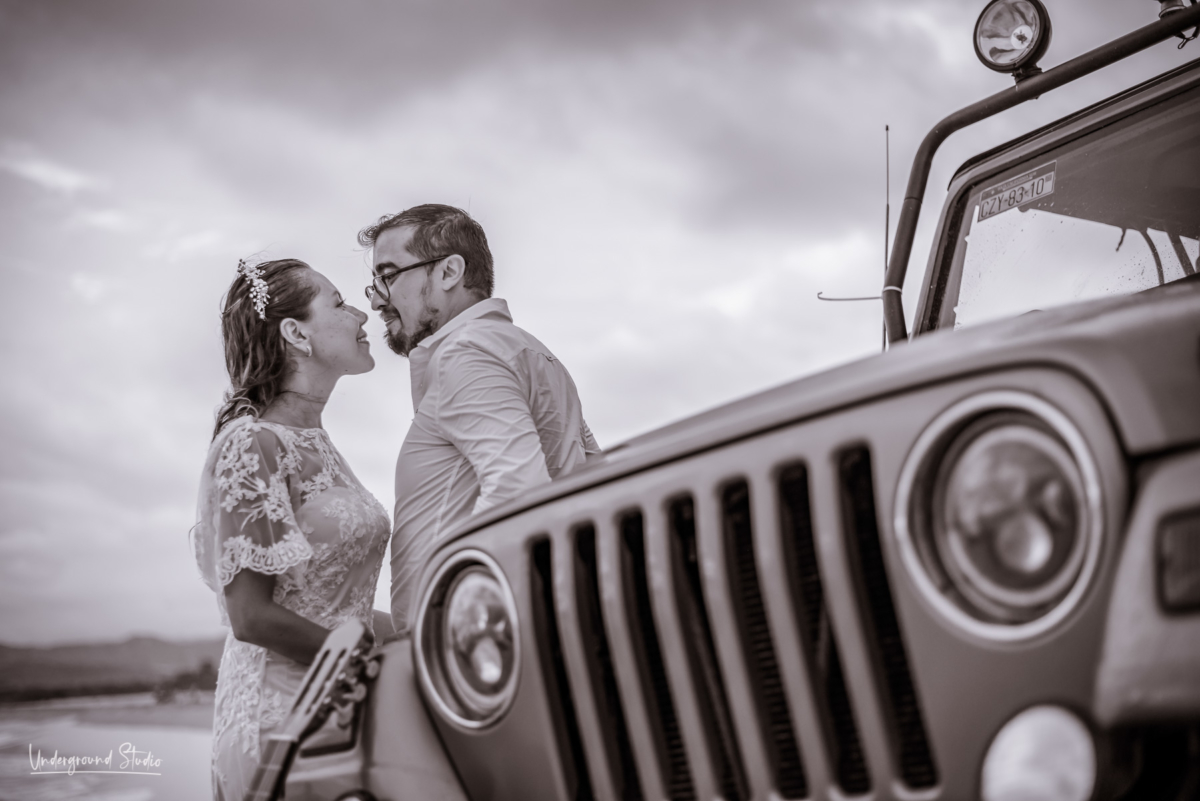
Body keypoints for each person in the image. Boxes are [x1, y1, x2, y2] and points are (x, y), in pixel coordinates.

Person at [191, 258, 391, 801]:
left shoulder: (320, 443)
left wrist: (423, 631)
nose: (359, 312)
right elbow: (250, 614)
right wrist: (367, 663)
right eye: (338, 301)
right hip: (279, 723)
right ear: (295, 333)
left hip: (341, 707)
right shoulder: (251, 443)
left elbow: (324, 599)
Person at [360, 204, 602, 635]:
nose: (378, 298)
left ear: (449, 271)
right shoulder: (531, 351)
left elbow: (516, 489)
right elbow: (592, 474)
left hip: (469, 640)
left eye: (389, 275)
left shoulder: (466, 354)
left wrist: (450, 619)